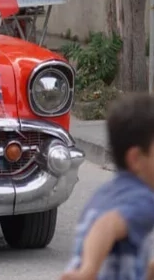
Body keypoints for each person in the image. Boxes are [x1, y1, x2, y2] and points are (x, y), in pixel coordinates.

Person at [62, 93, 154, 280]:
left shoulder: (105, 194)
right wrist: (88, 271)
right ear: (136, 159)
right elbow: (107, 225)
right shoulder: (142, 199)